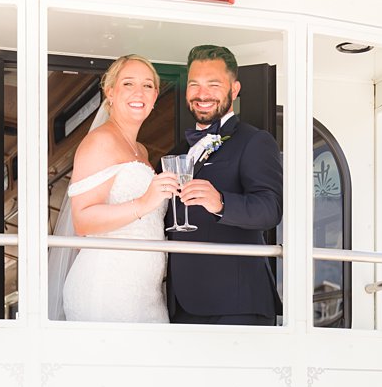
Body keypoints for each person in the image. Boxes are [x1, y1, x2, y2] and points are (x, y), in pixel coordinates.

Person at [53, 54, 180, 322]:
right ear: (110, 92)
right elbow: (83, 221)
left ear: (156, 95)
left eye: (148, 86)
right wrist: (144, 203)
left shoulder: (142, 151)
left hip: (146, 292)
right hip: (106, 289)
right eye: (128, 84)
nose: (139, 92)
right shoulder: (99, 142)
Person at [165, 44, 284, 324]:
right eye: (194, 85)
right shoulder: (181, 149)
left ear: (234, 89)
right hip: (181, 303)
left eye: (213, 84)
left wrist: (220, 202)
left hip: (236, 304)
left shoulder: (255, 141)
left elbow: (270, 210)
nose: (202, 94)